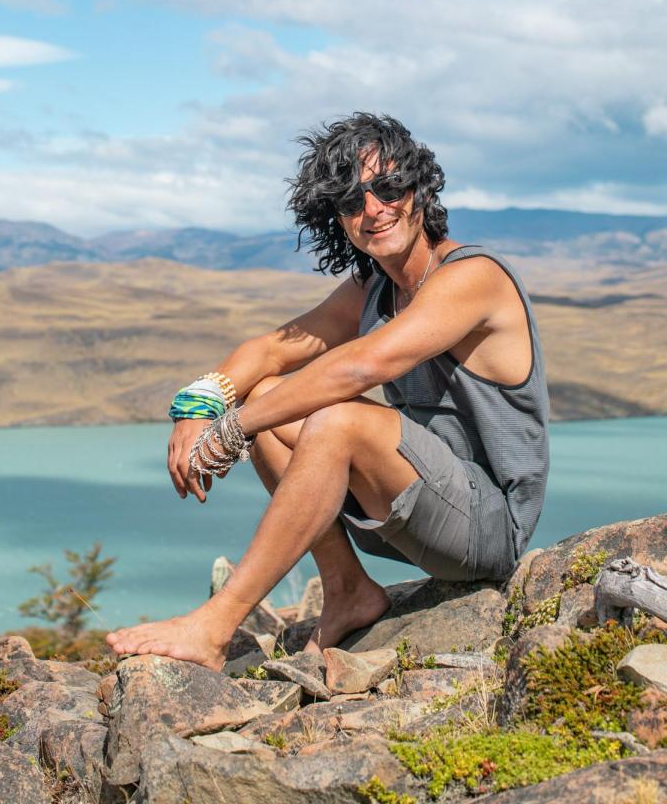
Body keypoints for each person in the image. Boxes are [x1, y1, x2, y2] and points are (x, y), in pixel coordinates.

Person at [106, 113, 549, 669]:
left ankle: (215, 625)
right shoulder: (375, 287)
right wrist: (199, 405)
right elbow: (271, 351)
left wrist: (235, 429)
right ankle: (347, 591)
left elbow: (362, 366)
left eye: (389, 188)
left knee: (332, 419)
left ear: (420, 189)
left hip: (488, 526)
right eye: (350, 200)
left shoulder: (473, 276)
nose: (374, 209)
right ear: (334, 217)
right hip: (413, 503)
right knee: (261, 392)